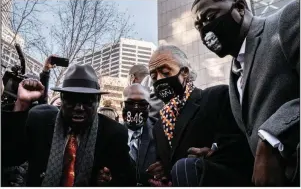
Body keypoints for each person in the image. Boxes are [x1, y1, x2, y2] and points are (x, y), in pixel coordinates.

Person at [192, 0, 299, 186]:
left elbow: (266, 135)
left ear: (240, 8)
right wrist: (219, 153)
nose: (205, 30)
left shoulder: (286, 19)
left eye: (210, 18)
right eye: (198, 26)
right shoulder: (235, 72)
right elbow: (251, 135)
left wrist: (271, 136)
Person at [2, 64, 136, 186]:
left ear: (98, 101)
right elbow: (10, 157)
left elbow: (129, 180)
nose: (79, 107)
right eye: (72, 99)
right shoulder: (40, 121)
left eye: (87, 101)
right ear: (62, 98)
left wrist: (110, 182)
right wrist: (22, 104)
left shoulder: (113, 133)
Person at [146, 45, 254, 186]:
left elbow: (241, 148)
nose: (159, 79)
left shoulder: (217, 97)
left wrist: (212, 154)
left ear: (184, 72)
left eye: (165, 72)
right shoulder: (159, 126)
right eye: (154, 77)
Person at [122, 84, 157, 186]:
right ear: (122, 105)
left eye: (142, 105)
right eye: (130, 103)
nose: (136, 109)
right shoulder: (112, 133)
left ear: (149, 108)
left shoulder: (160, 131)